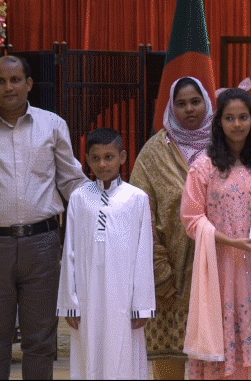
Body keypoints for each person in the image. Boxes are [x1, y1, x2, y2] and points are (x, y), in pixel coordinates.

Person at [0, 55, 89, 379]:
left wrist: (106, 203)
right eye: (1, 81)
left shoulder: (53, 126)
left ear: (29, 84)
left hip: (43, 245)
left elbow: (72, 181)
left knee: (41, 341)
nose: (8, 87)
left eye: (15, 80)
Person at [180, 88, 251, 379]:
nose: (237, 124)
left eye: (243, 117)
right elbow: (191, 219)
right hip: (221, 265)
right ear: (219, 122)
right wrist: (231, 241)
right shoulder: (204, 166)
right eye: (229, 118)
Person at [129, 76, 215, 379]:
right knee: (168, 359)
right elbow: (140, 212)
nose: (189, 109)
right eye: (181, 103)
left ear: (207, 103)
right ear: (171, 107)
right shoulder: (153, 153)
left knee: (216, 358)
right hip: (169, 275)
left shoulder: (225, 147)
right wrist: (157, 266)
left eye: (195, 101)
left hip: (219, 270)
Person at [56, 127, 155, 379]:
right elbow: (70, 252)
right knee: (89, 353)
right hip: (87, 296)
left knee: (123, 354)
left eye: (109, 157)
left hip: (124, 297)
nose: (102, 164)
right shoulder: (79, 198)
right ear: (87, 160)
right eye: (96, 158)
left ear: (122, 157)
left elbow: (144, 254)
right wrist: (69, 304)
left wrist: (142, 305)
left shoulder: (136, 198)